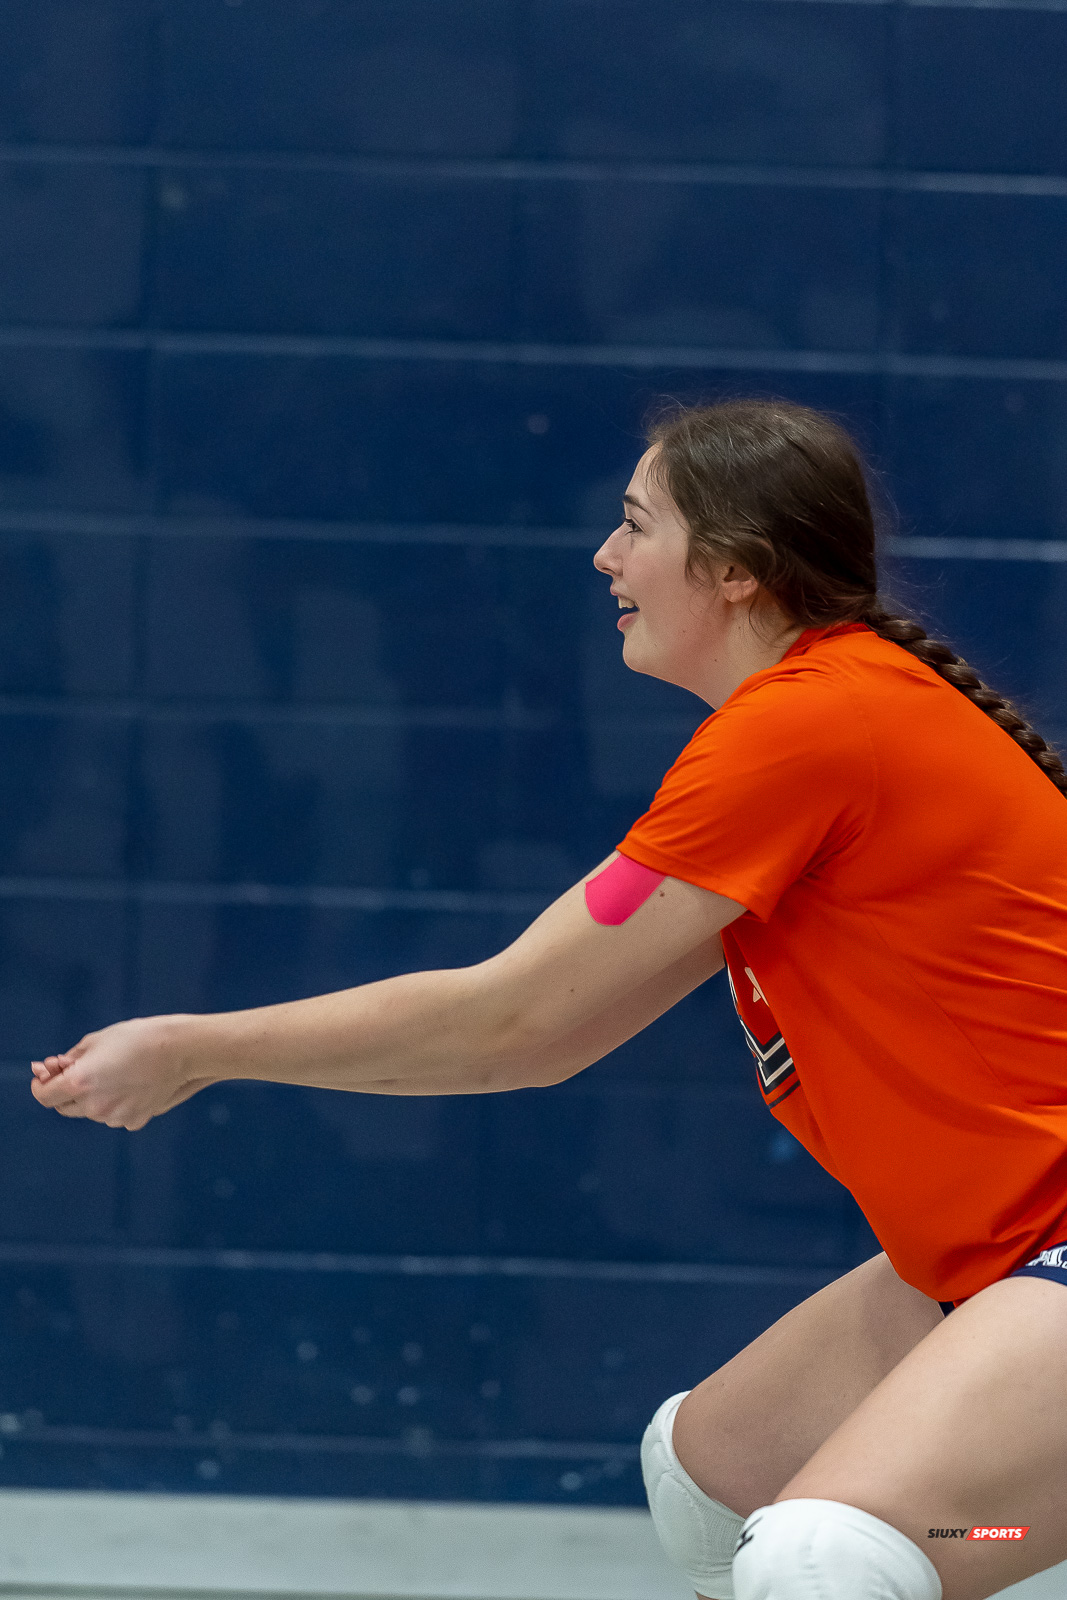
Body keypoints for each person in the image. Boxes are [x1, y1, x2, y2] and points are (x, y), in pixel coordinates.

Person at [30, 400, 1067, 1600]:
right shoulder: (822, 712)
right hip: (987, 1255)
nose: (603, 557)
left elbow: (502, 1014)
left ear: (730, 570)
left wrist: (194, 1049)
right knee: (712, 1485)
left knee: (825, 1555)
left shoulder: (807, 724)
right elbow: (539, 1039)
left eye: (633, 526)